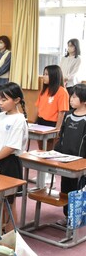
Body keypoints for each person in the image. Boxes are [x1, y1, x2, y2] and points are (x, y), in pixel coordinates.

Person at [0, 82, 29, 232]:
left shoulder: (19, 119)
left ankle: (10, 236)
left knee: (9, 203)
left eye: (4, 100)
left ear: (16, 100)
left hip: (9, 163)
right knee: (0, 200)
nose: (0, 103)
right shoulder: (0, 116)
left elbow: (12, 147)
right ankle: (0, 232)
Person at [55, 84, 86, 223]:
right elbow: (61, 136)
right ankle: (67, 215)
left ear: (84, 101)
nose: (71, 99)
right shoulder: (68, 115)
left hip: (80, 162)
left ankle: (76, 218)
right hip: (65, 160)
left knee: (78, 189)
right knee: (65, 188)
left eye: (74, 97)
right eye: (71, 96)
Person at [35, 64, 69, 150]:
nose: (44, 77)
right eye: (44, 74)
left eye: (46, 74)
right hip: (40, 122)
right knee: (41, 149)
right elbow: (38, 108)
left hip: (52, 124)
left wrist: (57, 129)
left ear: (54, 76)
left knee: (49, 150)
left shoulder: (62, 91)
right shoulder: (44, 90)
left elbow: (62, 112)